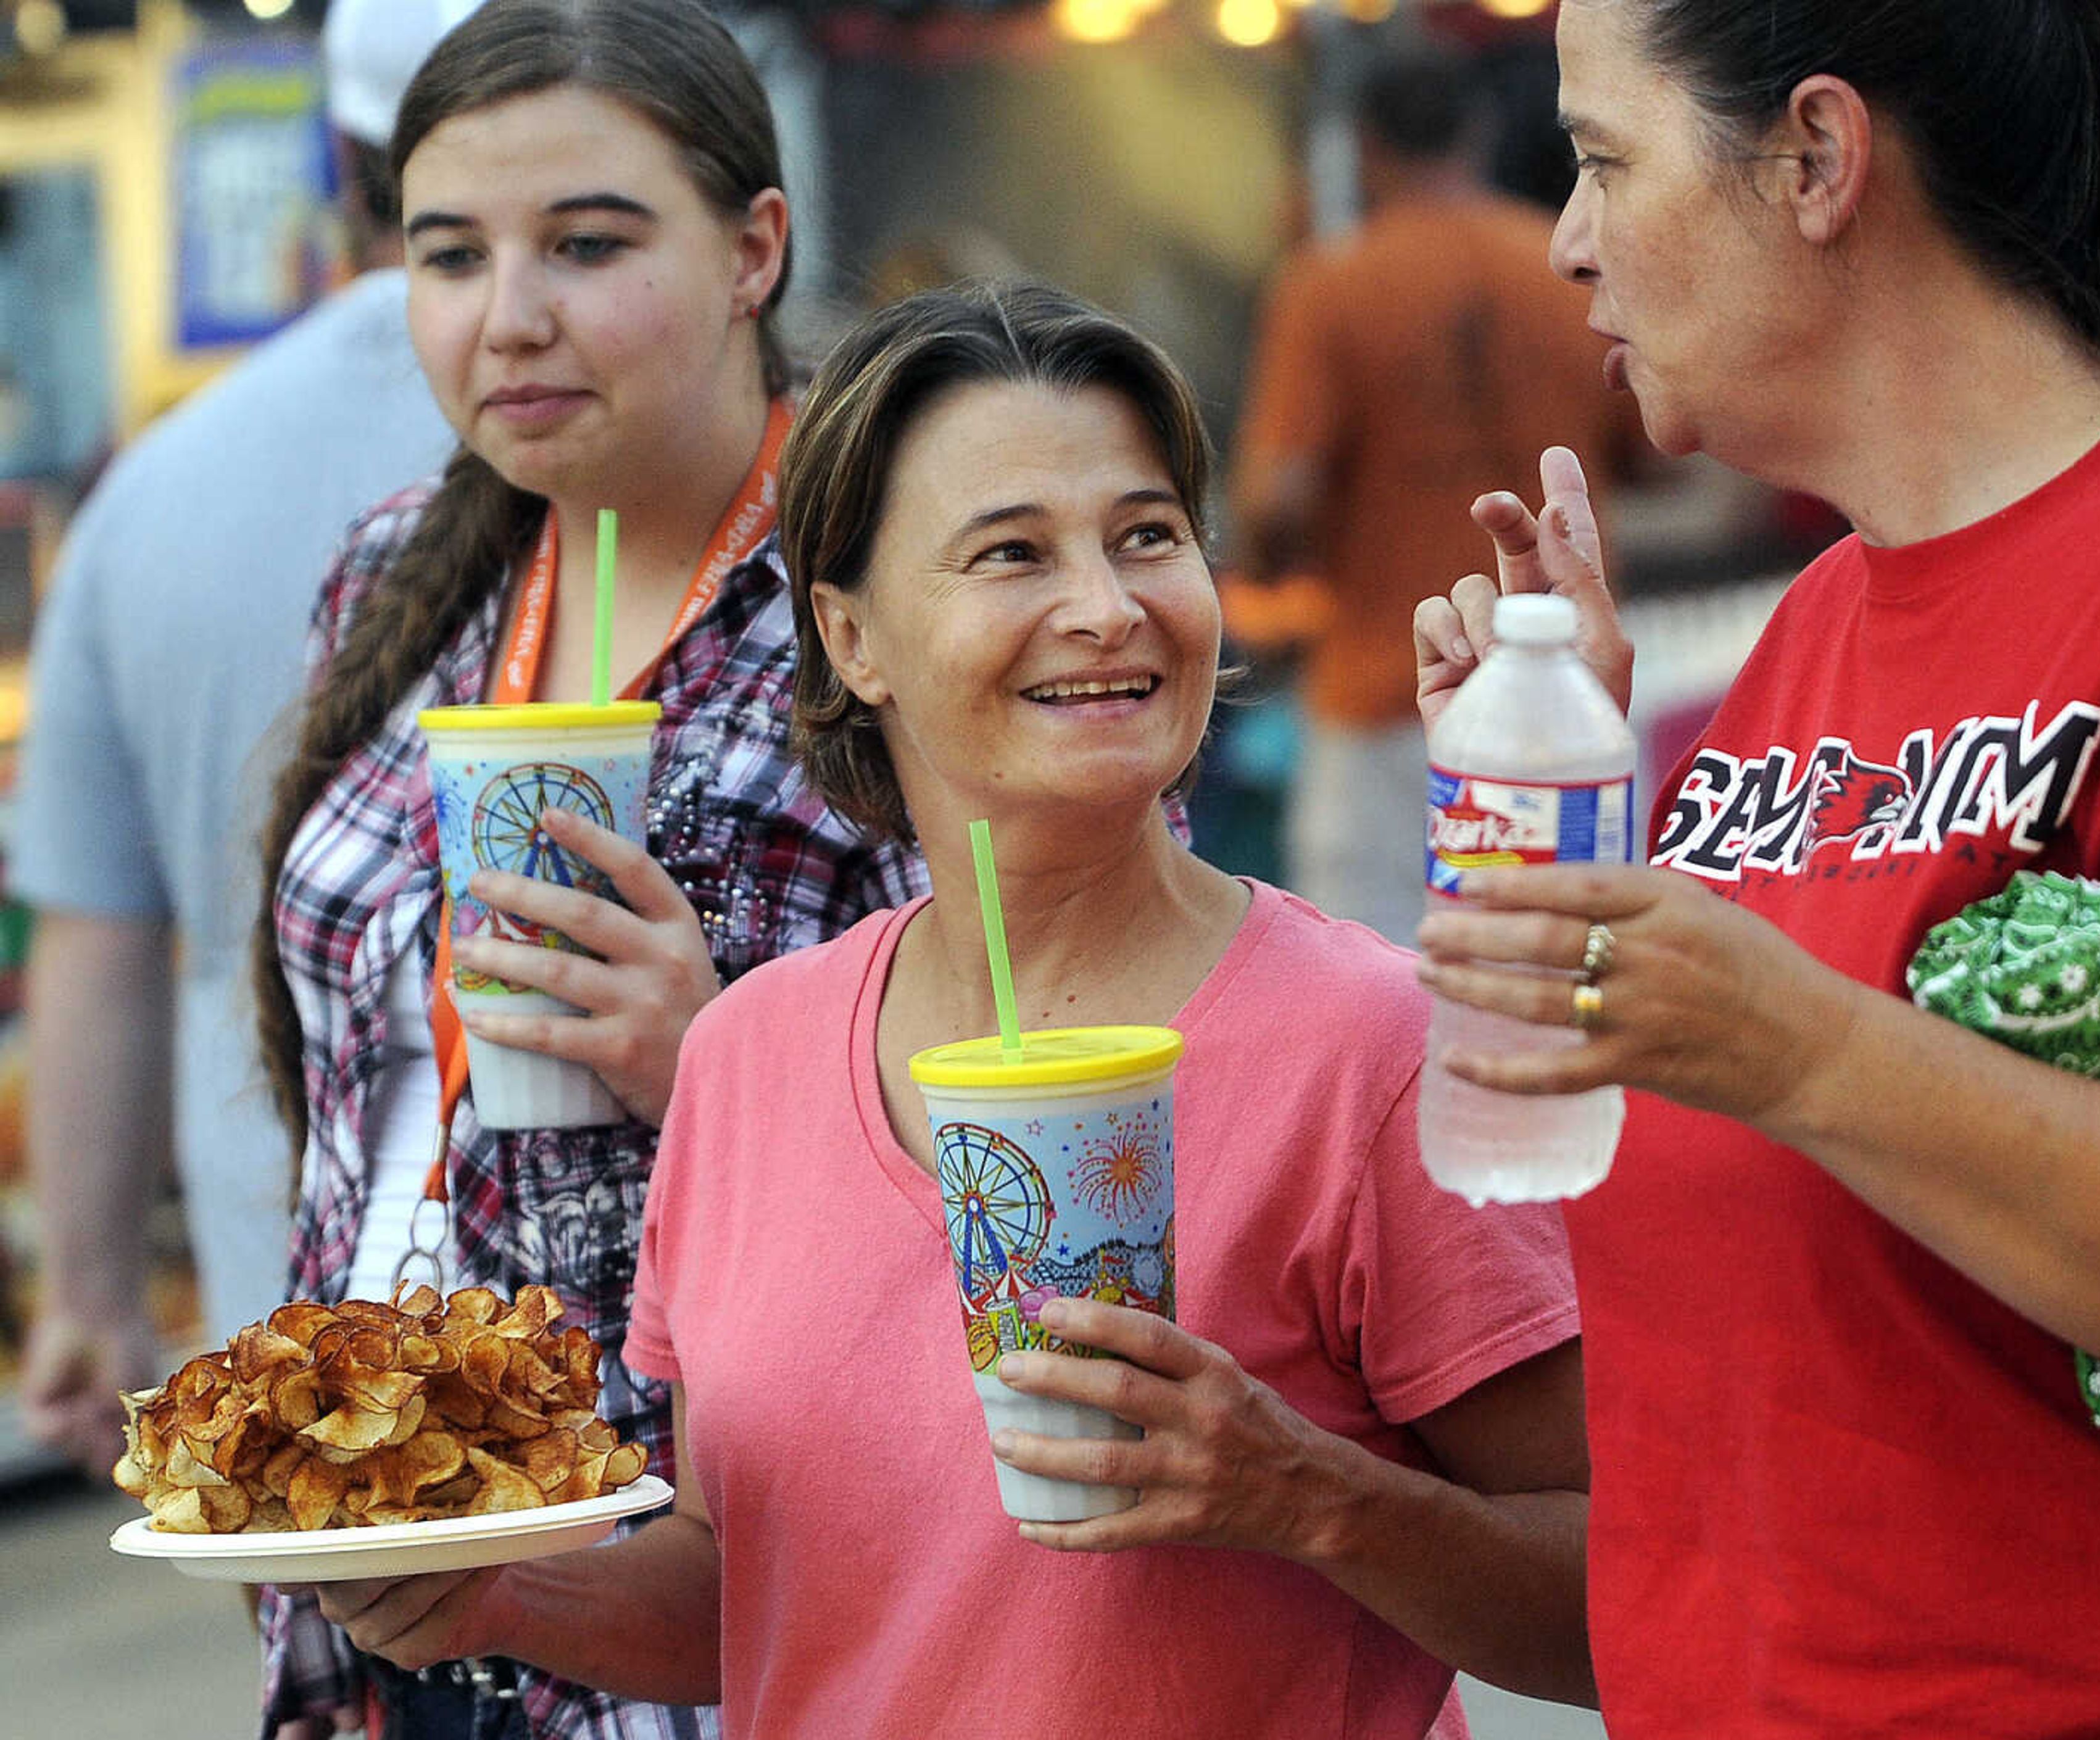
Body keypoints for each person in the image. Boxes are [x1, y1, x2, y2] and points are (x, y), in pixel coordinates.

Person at [306, 281, 1594, 1736]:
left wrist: (1307, 1495)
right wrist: (488, 1598)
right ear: (853, 639)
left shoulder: (1369, 1046)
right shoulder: (743, 1058)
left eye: (1148, 536)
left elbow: (1616, 1602)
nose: (1107, 609)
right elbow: (760, 1590)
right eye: (1011, 554)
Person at [1412, 1, 2100, 1733]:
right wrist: (1579, 807)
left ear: (1820, 160)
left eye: (1602, 159)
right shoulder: (1826, 623)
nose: (1565, 239)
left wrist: (1803, 1048)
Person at [249, 2, 922, 1734]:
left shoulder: (887, 599)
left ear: (753, 246)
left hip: (724, 1596)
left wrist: (726, 1062)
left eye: (590, 242)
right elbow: (353, 1098)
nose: (510, 316)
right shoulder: (403, 572)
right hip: (384, 1551)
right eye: (450, 254)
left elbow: (1072, 1088)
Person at [14, 0, 479, 1481]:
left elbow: (98, 936)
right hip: (622, 1296)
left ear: (332, 165)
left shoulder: (153, 492)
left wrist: (86, 1294)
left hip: (276, 1289)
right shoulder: (640, 437)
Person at [1231, 43, 1635, 946]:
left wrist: (1267, 571)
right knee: (1557, 977)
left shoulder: (1330, 286)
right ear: (1480, 133)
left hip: (1384, 692)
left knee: (1375, 989)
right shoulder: (1564, 271)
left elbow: (1276, 503)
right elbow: (1654, 457)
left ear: (1366, 149)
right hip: (1565, 697)